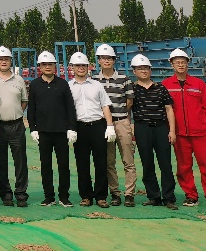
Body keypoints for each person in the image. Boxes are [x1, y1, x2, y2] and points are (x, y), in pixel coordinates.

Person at [163, 48, 206, 209]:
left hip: (200, 133)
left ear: (187, 64)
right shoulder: (166, 85)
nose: (180, 65)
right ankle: (191, 196)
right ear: (172, 64)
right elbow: (164, 110)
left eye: (183, 62)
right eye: (177, 62)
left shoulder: (198, 84)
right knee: (183, 168)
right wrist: (169, 130)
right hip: (180, 134)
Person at [28, 50, 77, 207]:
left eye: (50, 64)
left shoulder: (63, 84)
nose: (48, 66)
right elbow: (31, 109)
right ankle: (49, 196)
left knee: (63, 165)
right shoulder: (35, 85)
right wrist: (33, 128)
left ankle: (64, 196)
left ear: (55, 66)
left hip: (61, 132)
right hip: (43, 132)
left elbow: (70, 107)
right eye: (44, 64)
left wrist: (72, 127)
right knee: (46, 166)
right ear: (40, 67)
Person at [68, 52, 116, 208]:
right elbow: (66, 109)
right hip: (79, 127)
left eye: (83, 65)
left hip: (97, 126)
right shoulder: (68, 87)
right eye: (78, 66)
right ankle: (86, 196)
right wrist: (70, 128)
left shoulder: (97, 85)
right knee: (82, 164)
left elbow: (105, 106)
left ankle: (101, 196)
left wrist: (110, 126)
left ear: (88, 67)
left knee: (101, 162)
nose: (81, 68)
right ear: (72, 68)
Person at [130, 53, 178, 210]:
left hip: (160, 128)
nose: (144, 71)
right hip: (142, 128)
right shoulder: (132, 89)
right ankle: (154, 196)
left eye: (146, 68)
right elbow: (127, 109)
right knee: (147, 163)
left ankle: (169, 197)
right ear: (134, 71)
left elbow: (169, 109)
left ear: (150, 70)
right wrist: (130, 128)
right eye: (140, 68)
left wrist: (172, 131)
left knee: (165, 163)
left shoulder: (160, 88)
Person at [95, 43, 137, 207]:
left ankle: (129, 194)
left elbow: (129, 102)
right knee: (109, 161)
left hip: (121, 122)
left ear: (114, 60)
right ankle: (115, 193)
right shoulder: (94, 80)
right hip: (103, 125)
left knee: (128, 160)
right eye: (103, 58)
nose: (106, 61)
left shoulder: (124, 80)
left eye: (109, 58)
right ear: (99, 60)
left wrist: (119, 117)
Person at [0, 46, 29, 207]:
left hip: (17, 125)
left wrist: (16, 112)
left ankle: (21, 194)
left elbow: (24, 100)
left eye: (6, 59)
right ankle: (6, 194)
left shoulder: (18, 79)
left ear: (10, 61)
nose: (3, 62)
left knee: (20, 161)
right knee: (0, 162)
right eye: (0, 59)